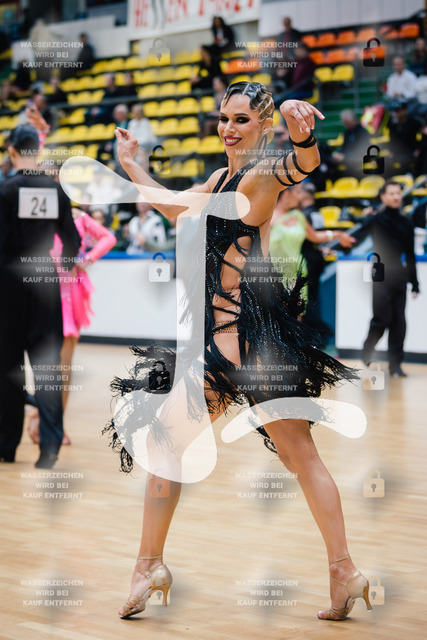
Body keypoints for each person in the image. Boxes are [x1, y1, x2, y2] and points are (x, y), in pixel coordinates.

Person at [106, 82, 372, 622]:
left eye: (241, 120)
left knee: (167, 446)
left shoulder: (261, 172)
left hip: (231, 344)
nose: (228, 128)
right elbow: (176, 208)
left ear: (264, 126)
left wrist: (302, 132)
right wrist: (132, 165)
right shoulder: (220, 179)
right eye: (224, 118)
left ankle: (148, 565)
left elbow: (303, 165)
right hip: (262, 346)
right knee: (302, 458)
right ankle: (344, 573)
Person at [0, 125, 80, 467]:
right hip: (45, 280)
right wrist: (64, 264)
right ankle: (49, 450)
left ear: (12, 151)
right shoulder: (55, 189)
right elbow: (72, 240)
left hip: (9, 283)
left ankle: (6, 446)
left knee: (8, 367)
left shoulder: (6, 190)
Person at [28, 205, 117, 446]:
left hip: (70, 293)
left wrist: (86, 259)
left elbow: (109, 238)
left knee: (64, 366)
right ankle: (40, 414)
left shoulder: (79, 217)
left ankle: (54, 424)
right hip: (42, 292)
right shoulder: (38, 211)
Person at [355, 181, 419, 376]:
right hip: (380, 273)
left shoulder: (406, 221)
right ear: (383, 197)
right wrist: (338, 245)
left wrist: (415, 283)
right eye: (391, 193)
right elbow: (357, 237)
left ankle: (395, 366)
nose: (396, 197)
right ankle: (367, 352)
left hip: (399, 274)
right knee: (382, 319)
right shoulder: (375, 219)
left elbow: (410, 254)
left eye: (398, 193)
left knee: (399, 322)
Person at [296, 182, 353, 343]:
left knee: (307, 300)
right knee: (311, 298)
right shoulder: (317, 213)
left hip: (308, 260)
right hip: (316, 258)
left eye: (299, 193)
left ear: (305, 195)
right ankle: (318, 334)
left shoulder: (303, 215)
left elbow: (312, 237)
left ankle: (320, 333)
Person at [270, 186, 354, 293]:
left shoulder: (298, 216)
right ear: (287, 193)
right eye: (297, 192)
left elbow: (315, 236)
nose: (299, 197)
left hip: (298, 273)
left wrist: (338, 234)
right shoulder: (268, 218)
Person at [331, 110, 370, 178]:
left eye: (348, 122)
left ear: (353, 120)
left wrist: (345, 157)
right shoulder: (346, 132)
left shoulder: (363, 132)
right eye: (345, 123)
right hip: (347, 159)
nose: (346, 125)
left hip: (358, 159)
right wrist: (339, 155)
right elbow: (343, 148)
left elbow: (362, 151)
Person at [388, 100, 420, 175]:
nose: (394, 113)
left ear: (405, 111)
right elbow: (391, 141)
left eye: (397, 111)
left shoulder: (413, 121)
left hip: (411, 153)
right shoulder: (391, 124)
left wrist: (419, 149)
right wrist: (391, 151)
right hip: (397, 154)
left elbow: (422, 137)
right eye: (393, 111)